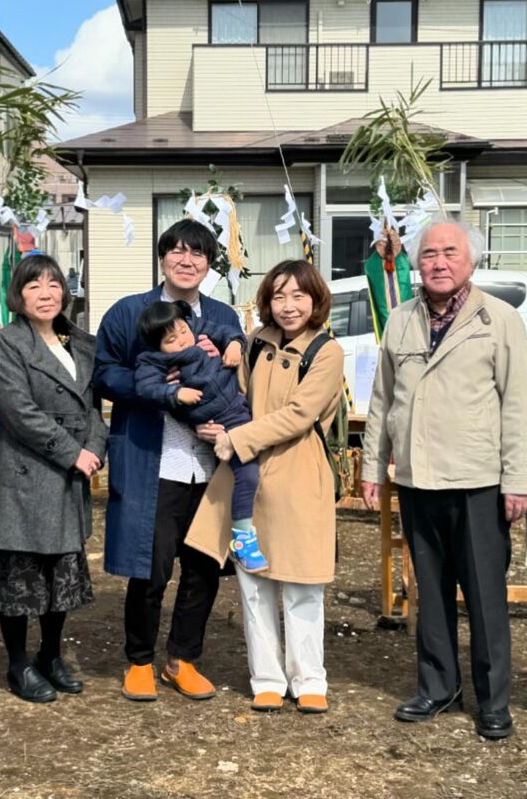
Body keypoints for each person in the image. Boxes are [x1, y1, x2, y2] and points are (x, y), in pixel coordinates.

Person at [361, 221, 527, 740]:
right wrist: (374, 467)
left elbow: (519, 407)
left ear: (471, 260)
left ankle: (492, 700)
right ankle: (438, 687)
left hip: (478, 480)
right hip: (418, 479)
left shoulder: (499, 319)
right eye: (429, 253)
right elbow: (382, 401)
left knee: (484, 594)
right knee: (430, 593)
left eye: (449, 253)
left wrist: (518, 480)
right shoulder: (400, 319)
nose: (438, 262)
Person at [186, 259, 344, 715]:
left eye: (298, 295)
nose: (289, 305)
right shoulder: (254, 343)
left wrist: (237, 439)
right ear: (266, 302)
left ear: (315, 300)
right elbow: (232, 397)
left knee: (302, 582)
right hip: (246, 478)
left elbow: (300, 414)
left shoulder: (327, 351)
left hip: (297, 473)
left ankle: (310, 678)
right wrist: (212, 424)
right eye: (278, 295)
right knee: (253, 582)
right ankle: (267, 678)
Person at [93, 220, 240, 702]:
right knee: (150, 566)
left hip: (211, 462)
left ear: (209, 263)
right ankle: (139, 660)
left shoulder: (221, 315)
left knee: (202, 566)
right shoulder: (129, 312)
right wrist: (165, 393)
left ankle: (183, 659)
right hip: (156, 461)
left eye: (197, 253)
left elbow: (241, 373)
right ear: (161, 258)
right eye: (176, 251)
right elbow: (104, 374)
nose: (186, 260)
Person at [0, 254, 107, 703]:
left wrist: (95, 447)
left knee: (61, 570)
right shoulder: (7, 343)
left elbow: (92, 405)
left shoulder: (81, 343)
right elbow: (18, 412)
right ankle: (18, 665)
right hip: (24, 470)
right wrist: (73, 452)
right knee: (21, 573)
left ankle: (51, 655)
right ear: (19, 294)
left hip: (71, 471)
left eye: (54, 284)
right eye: (34, 285)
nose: (46, 293)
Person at [134, 300, 266, 572]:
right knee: (248, 471)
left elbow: (228, 332)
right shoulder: (152, 361)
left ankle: (255, 526)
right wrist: (174, 393)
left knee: (259, 468)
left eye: (183, 331)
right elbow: (146, 389)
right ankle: (242, 538)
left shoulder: (195, 326)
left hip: (238, 405)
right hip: (217, 419)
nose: (182, 340)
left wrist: (234, 344)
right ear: (157, 346)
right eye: (171, 339)